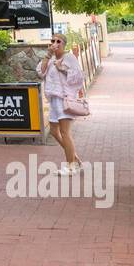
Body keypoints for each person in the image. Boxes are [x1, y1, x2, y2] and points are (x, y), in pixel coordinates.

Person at [37, 34, 86, 174]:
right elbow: (41, 72)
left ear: (64, 44)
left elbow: (78, 77)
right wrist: (48, 54)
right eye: (52, 40)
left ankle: (71, 167)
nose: (55, 43)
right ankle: (75, 160)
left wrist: (62, 68)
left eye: (58, 41)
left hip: (64, 99)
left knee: (65, 132)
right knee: (53, 131)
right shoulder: (51, 58)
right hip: (53, 100)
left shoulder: (69, 57)